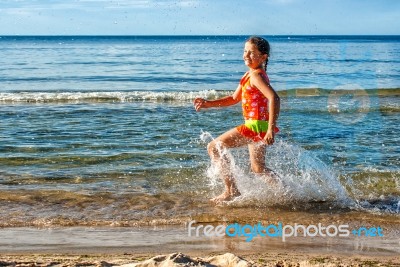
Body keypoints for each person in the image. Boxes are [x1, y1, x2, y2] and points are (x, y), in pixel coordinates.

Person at [193, 36, 281, 204]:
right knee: (258, 168)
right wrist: (208, 104)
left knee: (214, 147)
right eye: (245, 51)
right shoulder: (249, 75)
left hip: (255, 126)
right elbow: (234, 98)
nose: (246, 55)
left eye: (252, 53)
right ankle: (286, 192)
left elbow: (274, 98)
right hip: (258, 126)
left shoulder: (256, 76)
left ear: (264, 57)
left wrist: (271, 128)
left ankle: (231, 190)